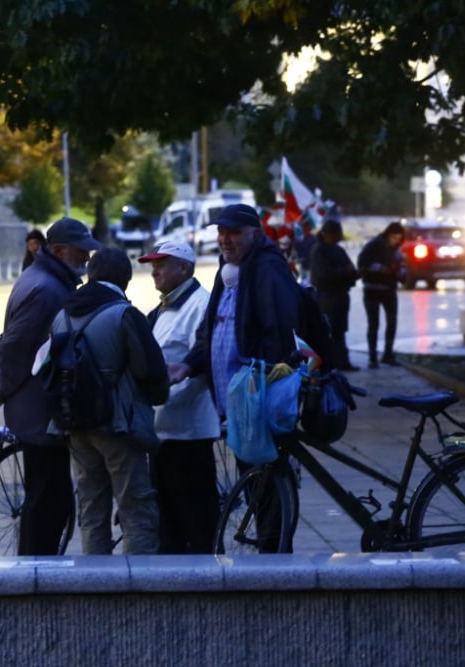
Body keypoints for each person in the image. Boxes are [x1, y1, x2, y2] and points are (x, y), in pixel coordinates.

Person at [178, 203, 303, 552]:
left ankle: (274, 559)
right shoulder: (229, 269)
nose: (224, 239)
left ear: (254, 234)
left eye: (232, 232)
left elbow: (279, 333)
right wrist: (189, 365)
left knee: (268, 480)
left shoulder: (266, 269)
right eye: (220, 232)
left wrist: (259, 378)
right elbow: (211, 328)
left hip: (258, 398)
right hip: (238, 402)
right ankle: (271, 552)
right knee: (256, 481)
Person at [0, 217, 99, 555]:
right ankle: (34, 576)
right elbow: (16, 347)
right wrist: (0, 388)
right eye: (80, 252)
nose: (86, 258)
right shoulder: (48, 290)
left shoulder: (44, 279)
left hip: (35, 405)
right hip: (39, 408)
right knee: (48, 501)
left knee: (49, 496)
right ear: (58, 250)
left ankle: (36, 570)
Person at [49, 247, 169, 554]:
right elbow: (150, 371)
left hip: (73, 423)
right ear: (125, 279)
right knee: (136, 509)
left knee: (91, 511)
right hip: (118, 425)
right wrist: (156, 398)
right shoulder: (124, 314)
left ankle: (96, 588)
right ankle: (139, 589)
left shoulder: (62, 315)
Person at [138, 241, 220, 554]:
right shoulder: (163, 307)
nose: (154, 271)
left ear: (184, 268)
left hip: (188, 430)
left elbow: (201, 364)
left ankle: (204, 578)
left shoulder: (200, 306)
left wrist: (161, 396)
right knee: (168, 519)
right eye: (152, 264)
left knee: (196, 517)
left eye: (162, 264)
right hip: (163, 429)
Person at [309, 219, 360, 371]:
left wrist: (353, 275)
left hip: (341, 295)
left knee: (340, 331)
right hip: (326, 297)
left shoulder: (338, 250)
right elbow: (323, 275)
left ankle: (342, 362)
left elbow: (351, 269)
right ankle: (328, 363)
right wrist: (344, 272)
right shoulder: (319, 251)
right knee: (328, 332)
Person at [357, 221, 405, 368]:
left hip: (389, 290)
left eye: (399, 239)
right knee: (374, 324)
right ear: (388, 235)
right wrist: (379, 268)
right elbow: (362, 262)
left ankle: (388, 354)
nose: (396, 241)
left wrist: (400, 273)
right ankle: (373, 358)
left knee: (392, 322)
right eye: (394, 238)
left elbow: (402, 266)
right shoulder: (374, 245)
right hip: (372, 289)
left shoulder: (396, 250)